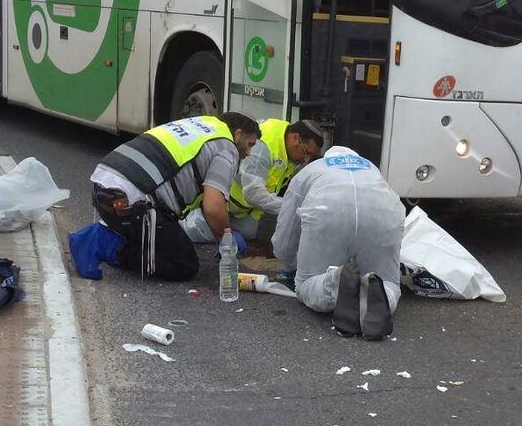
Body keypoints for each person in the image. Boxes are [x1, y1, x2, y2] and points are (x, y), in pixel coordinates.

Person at [89, 111, 260, 281]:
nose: (249, 153)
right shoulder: (227, 147)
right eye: (250, 144)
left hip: (103, 187)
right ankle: (111, 246)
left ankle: (109, 232)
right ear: (238, 135)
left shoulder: (203, 125)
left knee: (168, 239)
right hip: (132, 205)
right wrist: (226, 238)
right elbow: (213, 206)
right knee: (184, 264)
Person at [273, 145, 406, 340]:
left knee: (305, 284)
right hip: (384, 212)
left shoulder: (311, 169)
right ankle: (378, 291)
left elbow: (287, 230)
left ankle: (333, 281)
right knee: (388, 281)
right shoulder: (371, 168)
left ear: (327, 157)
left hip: (327, 208)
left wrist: (287, 260)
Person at [227, 119, 325, 241]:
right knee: (210, 228)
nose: (306, 159)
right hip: (224, 200)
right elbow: (253, 194)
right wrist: (293, 208)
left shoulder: (288, 147)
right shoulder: (263, 146)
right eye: (306, 152)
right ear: (295, 138)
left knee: (249, 232)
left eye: (311, 156)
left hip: (247, 208)